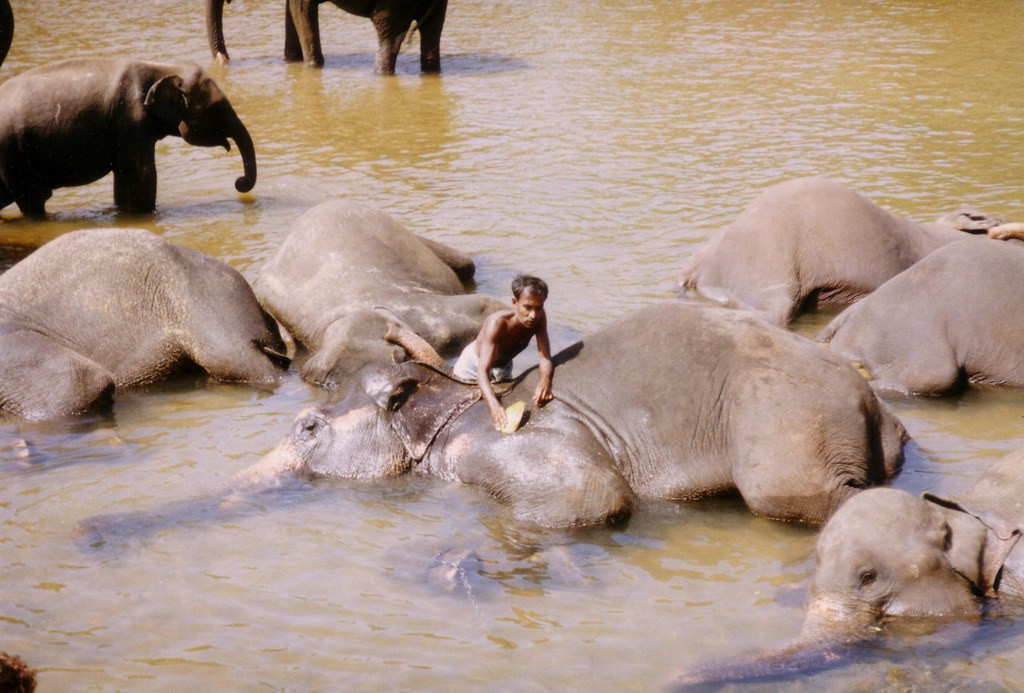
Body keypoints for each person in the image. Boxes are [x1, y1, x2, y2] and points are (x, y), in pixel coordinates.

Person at [452, 274, 554, 430]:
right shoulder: (497, 323)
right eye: (527, 307)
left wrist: (544, 380)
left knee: (506, 411)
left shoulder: (539, 318)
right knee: (465, 412)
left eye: (538, 308)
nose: (533, 315)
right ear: (515, 303)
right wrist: (493, 405)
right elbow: (482, 371)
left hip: (503, 365)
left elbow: (544, 355)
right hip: (474, 365)